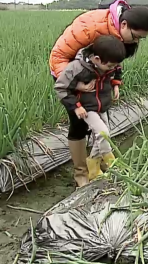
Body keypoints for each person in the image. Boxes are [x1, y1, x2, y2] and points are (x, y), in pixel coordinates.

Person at [54, 35, 127, 188]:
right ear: (97, 59)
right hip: (87, 108)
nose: (113, 68)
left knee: (104, 135)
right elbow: (61, 87)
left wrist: (115, 84)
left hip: (103, 105)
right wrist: (76, 106)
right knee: (103, 134)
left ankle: (94, 166)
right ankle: (109, 162)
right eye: (109, 66)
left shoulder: (111, 62)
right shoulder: (77, 68)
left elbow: (118, 69)